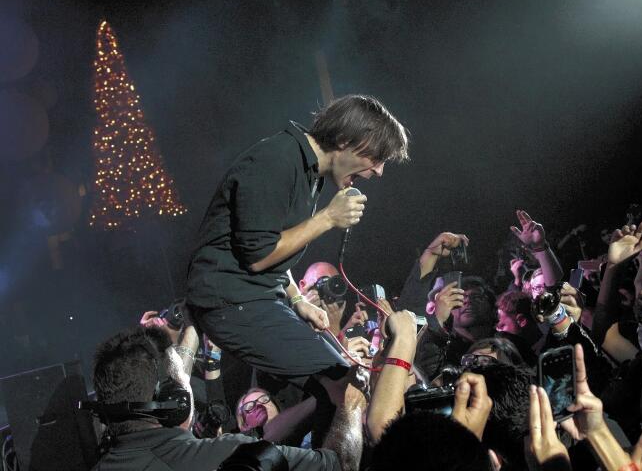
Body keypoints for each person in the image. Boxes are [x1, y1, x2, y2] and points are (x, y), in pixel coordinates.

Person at [185, 95, 408, 384]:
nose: (378, 171)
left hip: (259, 298)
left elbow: (272, 241)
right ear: (343, 139)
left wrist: (298, 298)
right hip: (230, 302)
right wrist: (327, 218)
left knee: (344, 381)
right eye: (375, 158)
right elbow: (259, 257)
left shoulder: (308, 171)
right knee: (345, 386)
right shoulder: (276, 160)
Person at [90, 327, 365, 471]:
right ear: (176, 402)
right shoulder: (228, 454)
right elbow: (341, 465)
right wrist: (350, 401)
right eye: (183, 382)